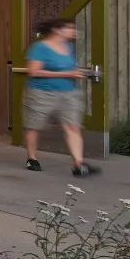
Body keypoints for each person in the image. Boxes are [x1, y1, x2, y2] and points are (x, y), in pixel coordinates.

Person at [23, 17, 99, 176]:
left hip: (68, 93)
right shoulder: (40, 48)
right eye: (70, 28)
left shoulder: (68, 47)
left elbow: (68, 67)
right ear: (57, 29)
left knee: (73, 127)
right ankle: (32, 158)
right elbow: (34, 71)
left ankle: (78, 164)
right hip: (41, 93)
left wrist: (79, 72)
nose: (74, 31)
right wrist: (67, 73)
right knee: (34, 127)